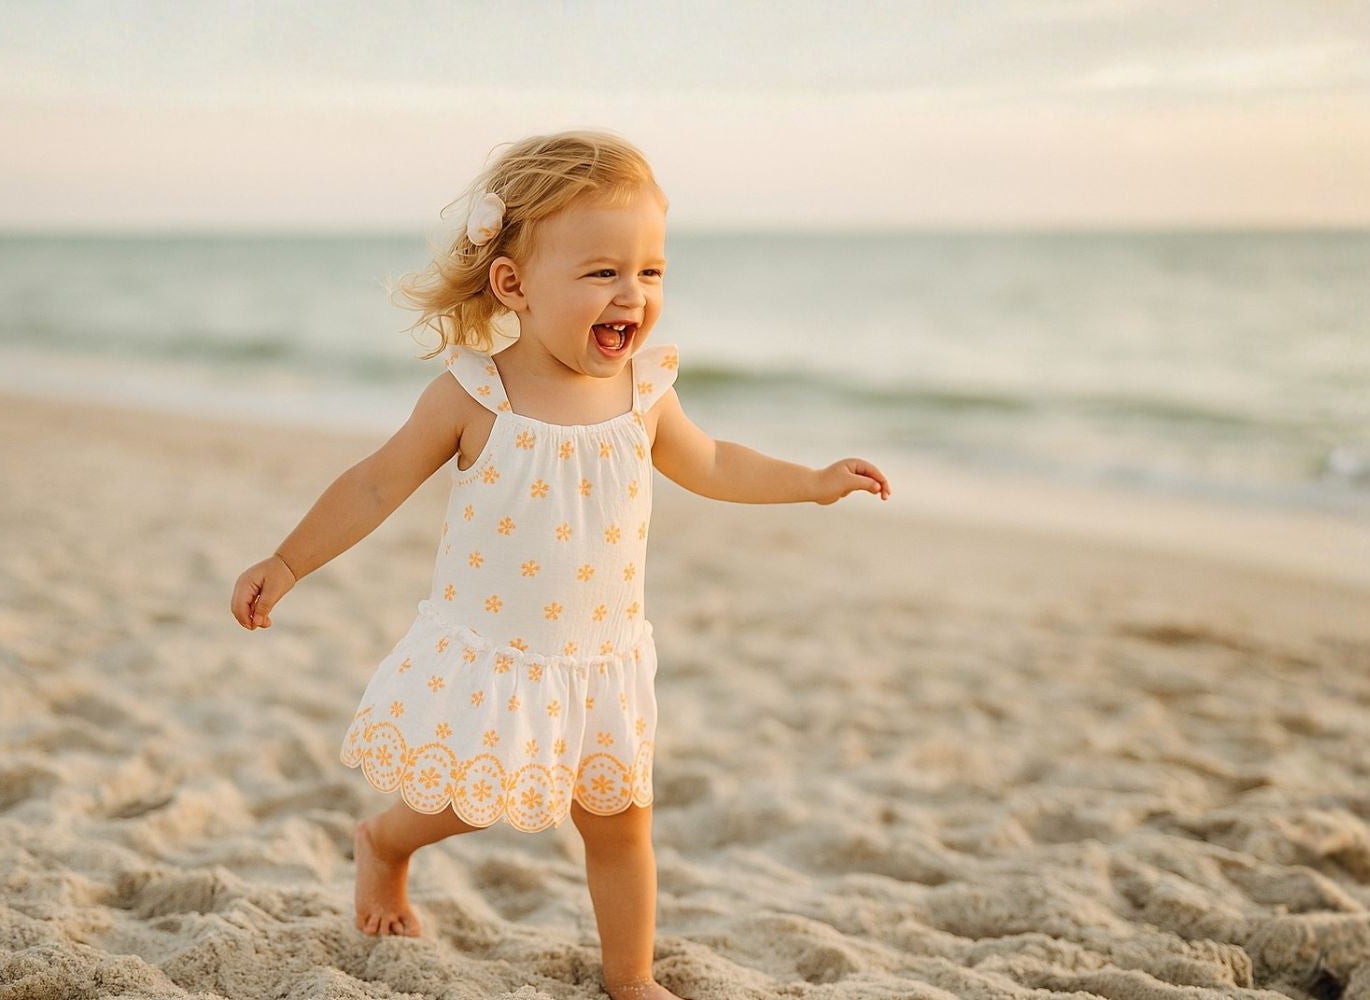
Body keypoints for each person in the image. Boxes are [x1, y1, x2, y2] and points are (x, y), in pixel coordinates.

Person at [228, 129, 890, 999]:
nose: (633, 294)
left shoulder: (645, 393)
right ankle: (385, 844)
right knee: (457, 802)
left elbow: (716, 463)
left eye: (650, 272)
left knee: (620, 829)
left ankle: (631, 978)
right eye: (602, 272)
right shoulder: (474, 395)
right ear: (515, 286)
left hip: (603, 663)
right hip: (501, 658)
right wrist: (288, 560)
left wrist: (810, 482)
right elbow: (375, 485)